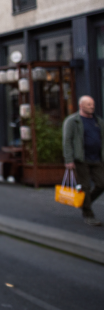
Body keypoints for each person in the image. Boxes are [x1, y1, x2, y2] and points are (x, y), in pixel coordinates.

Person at [63, 95, 104, 226]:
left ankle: (84, 203)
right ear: (81, 106)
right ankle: (88, 215)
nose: (91, 107)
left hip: (97, 158)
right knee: (84, 187)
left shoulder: (98, 121)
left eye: (92, 104)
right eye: (88, 104)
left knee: (102, 184)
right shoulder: (72, 121)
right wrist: (69, 159)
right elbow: (67, 141)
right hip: (81, 159)